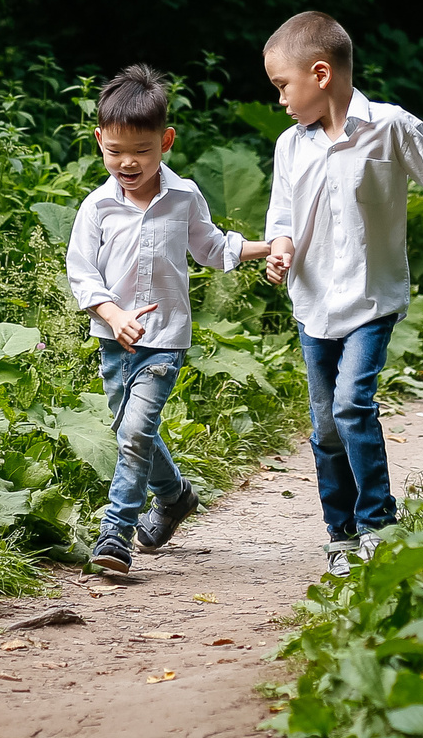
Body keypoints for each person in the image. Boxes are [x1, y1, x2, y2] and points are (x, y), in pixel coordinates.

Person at [261, 12, 423, 576]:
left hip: (371, 300)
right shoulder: (290, 145)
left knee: (351, 406)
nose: (280, 101)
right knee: (323, 424)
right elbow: (282, 215)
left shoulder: (392, 127)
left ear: (320, 74)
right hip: (313, 303)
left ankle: (378, 523)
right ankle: (340, 534)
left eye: (282, 86)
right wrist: (280, 248)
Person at [66, 64, 273, 575]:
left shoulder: (184, 197)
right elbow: (82, 274)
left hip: (165, 340)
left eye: (142, 151)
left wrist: (268, 248)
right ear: (99, 141)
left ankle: (114, 533)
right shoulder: (97, 207)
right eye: (115, 152)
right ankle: (176, 496)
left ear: (167, 141)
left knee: (136, 432)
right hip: (115, 341)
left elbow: (211, 247)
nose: (128, 163)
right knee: (129, 430)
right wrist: (113, 315)